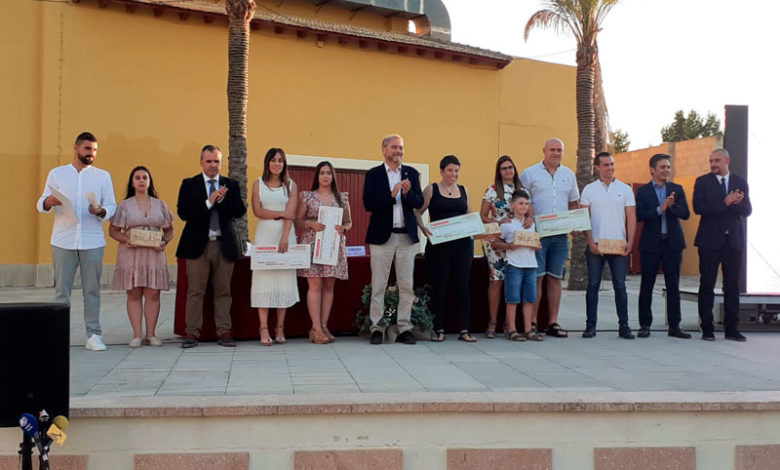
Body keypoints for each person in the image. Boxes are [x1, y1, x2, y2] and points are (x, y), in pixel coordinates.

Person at [37, 131, 117, 351]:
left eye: (94, 150)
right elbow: (41, 203)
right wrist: (49, 202)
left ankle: (93, 335)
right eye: (87, 149)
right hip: (63, 240)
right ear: (76, 148)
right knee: (61, 291)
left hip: (92, 241)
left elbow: (112, 205)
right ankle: (58, 335)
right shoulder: (57, 174)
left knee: (92, 290)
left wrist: (101, 211)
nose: (91, 153)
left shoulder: (103, 176)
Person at [176, 145, 246, 349]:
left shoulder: (230, 185)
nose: (213, 165)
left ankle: (224, 331)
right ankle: (192, 332)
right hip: (197, 247)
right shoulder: (189, 184)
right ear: (201, 162)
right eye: (209, 161)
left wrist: (222, 201)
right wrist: (209, 201)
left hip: (224, 245)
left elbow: (239, 211)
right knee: (195, 291)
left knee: (223, 291)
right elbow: (184, 212)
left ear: (221, 163)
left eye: (216, 161)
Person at [363, 134, 424, 345]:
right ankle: (377, 327)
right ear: (384, 150)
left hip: (406, 236)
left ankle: (404, 327)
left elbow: (419, 202)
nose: (398, 151)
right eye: (394, 147)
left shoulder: (411, 173)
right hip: (382, 237)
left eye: (401, 148)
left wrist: (407, 194)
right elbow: (368, 203)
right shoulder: (373, 174)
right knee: (379, 284)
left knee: (406, 285)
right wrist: (392, 194)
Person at [109, 166, 175, 347]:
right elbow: (113, 230)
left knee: (153, 293)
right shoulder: (124, 205)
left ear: (149, 181)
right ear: (132, 182)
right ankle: (137, 335)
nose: (141, 180)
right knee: (134, 292)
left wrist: (164, 241)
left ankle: (151, 334)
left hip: (154, 254)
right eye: (137, 177)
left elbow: (170, 230)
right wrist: (126, 239)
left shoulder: (160, 204)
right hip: (132, 253)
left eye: (144, 177)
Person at [520, 138, 579, 338]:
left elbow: (573, 204)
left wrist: (576, 224)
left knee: (555, 278)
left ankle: (553, 322)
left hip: (561, 236)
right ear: (544, 151)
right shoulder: (529, 174)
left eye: (559, 150)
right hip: (538, 236)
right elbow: (522, 201)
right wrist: (529, 217)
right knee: (537, 277)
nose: (556, 153)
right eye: (552, 149)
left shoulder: (569, 175)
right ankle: (533, 322)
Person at [693, 148, 752, 342]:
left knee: (732, 286)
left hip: (733, 241)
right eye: (711, 161)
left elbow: (747, 210)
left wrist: (738, 203)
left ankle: (731, 328)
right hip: (709, 241)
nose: (713, 164)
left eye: (717, 160)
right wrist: (725, 202)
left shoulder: (739, 182)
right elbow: (699, 208)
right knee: (707, 284)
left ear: (727, 160)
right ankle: (707, 328)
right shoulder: (703, 182)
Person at [417, 155, 476, 343]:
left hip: (462, 246)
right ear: (442, 171)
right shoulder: (431, 189)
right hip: (439, 247)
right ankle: (439, 329)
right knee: (439, 285)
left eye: (456, 171)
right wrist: (423, 229)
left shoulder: (464, 190)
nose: (454, 174)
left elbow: (469, 215)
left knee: (463, 286)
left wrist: (479, 228)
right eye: (450, 170)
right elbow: (417, 212)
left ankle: (464, 330)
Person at [580, 152, 637, 339]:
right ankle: (590, 326)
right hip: (596, 246)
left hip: (618, 246)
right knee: (593, 285)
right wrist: (590, 242)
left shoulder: (625, 189)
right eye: (605, 165)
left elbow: (631, 217)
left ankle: (624, 326)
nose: (610, 168)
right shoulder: (589, 190)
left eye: (612, 164)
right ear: (597, 167)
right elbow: (584, 217)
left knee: (620, 286)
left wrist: (630, 242)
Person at [295, 161, 352, 344]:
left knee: (329, 286)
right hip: (314, 243)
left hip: (333, 244)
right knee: (315, 284)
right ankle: (315, 328)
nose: (325, 176)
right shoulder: (307, 196)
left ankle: (324, 325)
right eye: (322, 173)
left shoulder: (342, 198)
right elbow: (297, 220)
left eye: (328, 173)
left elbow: (349, 222)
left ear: (333, 176)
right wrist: (310, 224)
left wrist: (344, 228)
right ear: (317, 176)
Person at [635, 154, 691, 339]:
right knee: (647, 285)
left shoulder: (677, 189)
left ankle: (675, 325)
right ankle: (645, 324)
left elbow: (686, 214)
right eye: (662, 167)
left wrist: (672, 207)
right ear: (652, 169)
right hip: (651, 243)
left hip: (672, 243)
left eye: (668, 167)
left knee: (673, 285)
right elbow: (639, 214)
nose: (666, 170)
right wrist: (660, 209)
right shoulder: (643, 192)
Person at [479, 155, 532, 338]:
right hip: (498, 241)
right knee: (496, 281)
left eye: (510, 167)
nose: (508, 171)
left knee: (515, 281)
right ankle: (492, 323)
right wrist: (498, 221)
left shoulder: (523, 190)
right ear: (499, 171)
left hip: (518, 244)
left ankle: (511, 325)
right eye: (504, 168)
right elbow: (482, 216)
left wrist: (530, 218)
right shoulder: (492, 190)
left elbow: (530, 214)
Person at [251, 148, 299, 346]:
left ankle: (279, 327)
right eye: (273, 160)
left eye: (280, 160)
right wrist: (280, 213)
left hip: (285, 237)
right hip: (264, 236)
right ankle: (263, 328)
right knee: (263, 279)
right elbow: (258, 211)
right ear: (267, 162)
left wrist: (285, 237)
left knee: (283, 280)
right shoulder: (258, 184)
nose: (277, 163)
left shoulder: (291, 185)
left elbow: (291, 213)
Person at [489, 189, 543, 341]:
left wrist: (537, 246)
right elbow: (495, 243)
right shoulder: (507, 224)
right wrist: (509, 246)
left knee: (529, 299)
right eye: (520, 203)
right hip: (514, 265)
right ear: (512, 205)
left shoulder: (531, 224)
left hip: (531, 265)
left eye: (526, 204)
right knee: (512, 299)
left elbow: (537, 242)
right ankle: (511, 329)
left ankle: (528, 329)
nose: (524, 206)